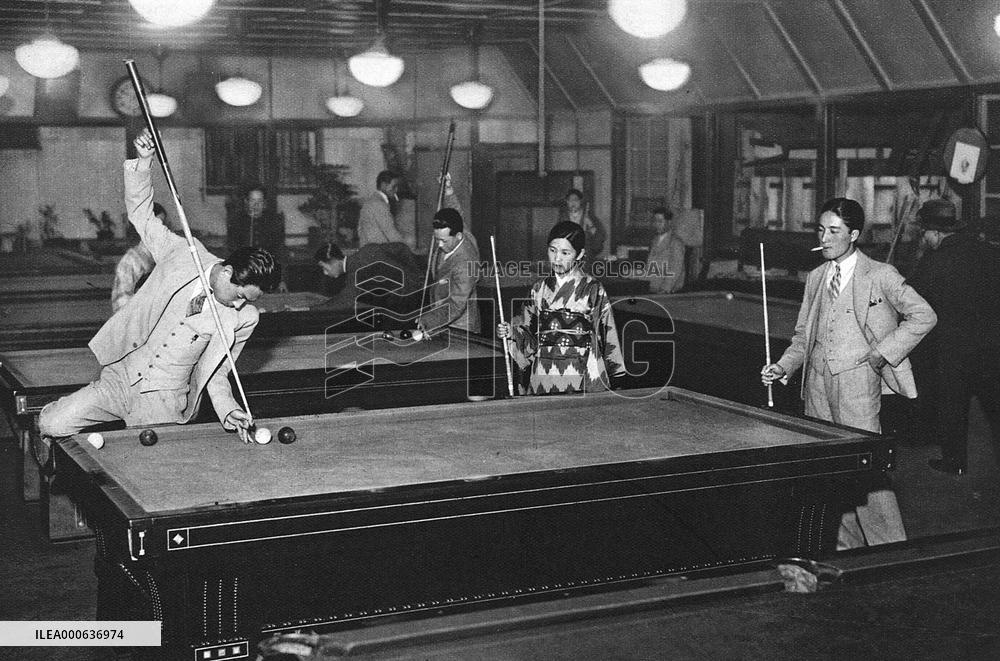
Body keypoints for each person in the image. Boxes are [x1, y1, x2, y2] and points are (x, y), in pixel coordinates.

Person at [38, 129, 282, 445]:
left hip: (163, 402)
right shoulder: (183, 252)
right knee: (52, 423)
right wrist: (143, 162)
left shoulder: (245, 317)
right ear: (227, 273)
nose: (240, 305)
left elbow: (218, 372)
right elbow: (142, 215)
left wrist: (228, 410)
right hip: (120, 377)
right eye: (239, 295)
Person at [760, 197, 936, 548]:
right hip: (816, 389)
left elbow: (924, 315)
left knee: (865, 470)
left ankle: (890, 549)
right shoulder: (815, 278)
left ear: (853, 234)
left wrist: (882, 354)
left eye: (834, 231)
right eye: (821, 230)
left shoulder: (880, 275)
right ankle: (846, 547)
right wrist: (783, 366)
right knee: (826, 472)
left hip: (858, 386)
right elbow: (802, 337)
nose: (824, 238)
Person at [908, 198, 1000, 476]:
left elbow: (912, 298)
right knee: (996, 408)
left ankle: (955, 462)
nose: (924, 239)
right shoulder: (989, 252)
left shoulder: (934, 260)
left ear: (934, 233)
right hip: (993, 346)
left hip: (953, 348)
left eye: (924, 234)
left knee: (952, 407)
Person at [497, 220, 626, 394]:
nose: (557, 258)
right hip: (546, 372)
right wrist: (511, 332)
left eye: (565, 253)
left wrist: (616, 375)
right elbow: (528, 329)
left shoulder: (593, 289)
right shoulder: (539, 288)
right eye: (552, 250)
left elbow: (608, 334)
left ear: (579, 254)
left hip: (584, 373)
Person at [314, 241, 427, 315]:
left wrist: (314, 309)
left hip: (407, 304)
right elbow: (401, 247)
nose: (325, 272)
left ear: (334, 260)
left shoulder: (356, 269)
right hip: (418, 289)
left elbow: (346, 301)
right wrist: (416, 274)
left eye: (325, 267)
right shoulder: (366, 250)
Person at [417, 206, 481, 335]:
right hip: (442, 319)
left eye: (443, 241)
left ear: (458, 236)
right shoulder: (461, 232)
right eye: (437, 239)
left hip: (459, 328)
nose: (439, 245)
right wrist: (449, 191)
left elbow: (456, 305)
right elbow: (459, 216)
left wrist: (428, 320)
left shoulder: (466, 263)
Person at [227, 182, 288, 292]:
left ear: (264, 203)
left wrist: (281, 279)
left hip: (268, 278)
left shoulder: (274, 222)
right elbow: (232, 252)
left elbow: (280, 252)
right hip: (244, 279)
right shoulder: (236, 223)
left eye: (260, 201)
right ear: (246, 201)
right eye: (252, 201)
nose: (256, 205)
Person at [110, 202, 168, 313]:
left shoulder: (166, 256)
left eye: (163, 225)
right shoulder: (130, 260)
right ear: (143, 227)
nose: (162, 230)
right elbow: (120, 301)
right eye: (157, 225)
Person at [358, 170, 407, 248]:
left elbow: (360, 231)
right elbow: (391, 233)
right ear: (384, 185)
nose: (396, 190)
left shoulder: (370, 202)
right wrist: (408, 250)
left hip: (369, 251)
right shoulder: (379, 204)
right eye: (394, 186)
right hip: (379, 254)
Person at [559, 188, 606, 264]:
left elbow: (601, 237)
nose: (573, 203)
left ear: (580, 201)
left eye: (576, 200)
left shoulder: (590, 217)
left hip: (586, 259)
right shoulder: (562, 218)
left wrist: (590, 225)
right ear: (567, 202)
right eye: (570, 200)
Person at [646, 206, 686, 294]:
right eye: (655, 221)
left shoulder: (676, 242)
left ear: (669, 222)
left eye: (660, 221)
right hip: (652, 287)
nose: (657, 224)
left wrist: (665, 288)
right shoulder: (655, 240)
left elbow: (676, 269)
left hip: (667, 290)